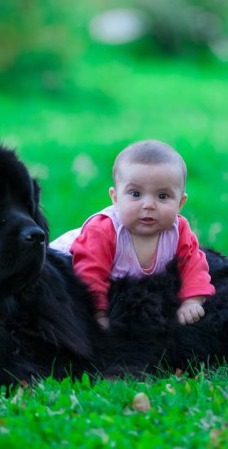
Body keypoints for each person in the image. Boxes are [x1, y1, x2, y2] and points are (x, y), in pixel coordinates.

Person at [51, 140, 215, 330]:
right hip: (68, 264)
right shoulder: (103, 230)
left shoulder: (179, 230)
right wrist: (98, 312)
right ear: (115, 198)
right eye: (136, 194)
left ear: (180, 203)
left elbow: (193, 264)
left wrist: (192, 301)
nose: (148, 205)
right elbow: (89, 274)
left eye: (162, 196)